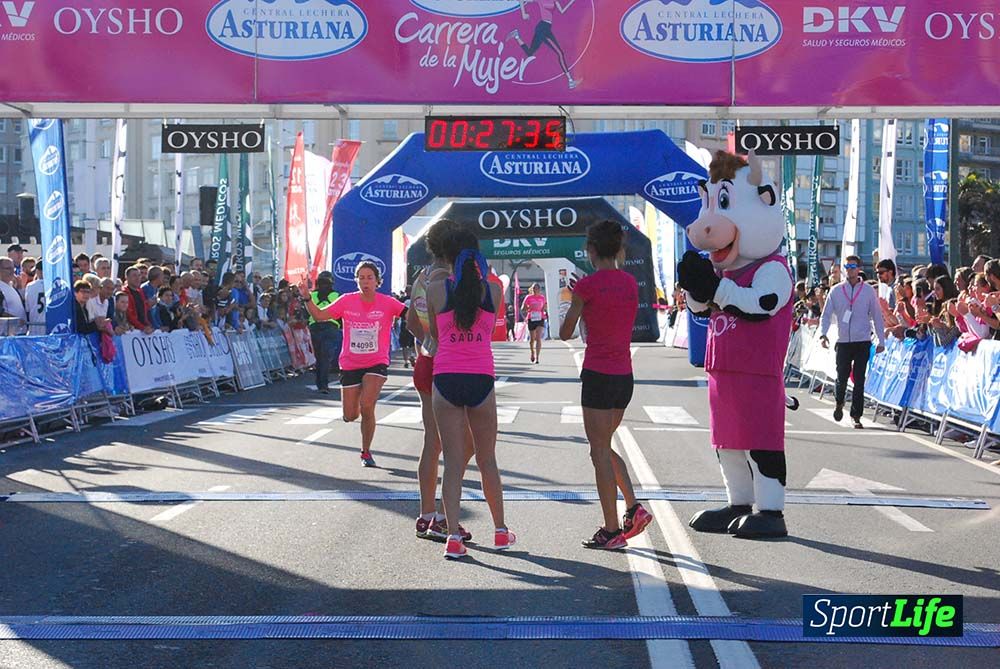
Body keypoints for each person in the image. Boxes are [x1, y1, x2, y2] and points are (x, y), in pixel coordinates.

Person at [560, 220, 653, 549]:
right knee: (604, 445)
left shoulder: (585, 287)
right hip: (624, 377)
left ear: (591, 251)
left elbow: (565, 332)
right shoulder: (629, 283)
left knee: (598, 452)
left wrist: (577, 305)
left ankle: (613, 530)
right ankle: (632, 509)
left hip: (598, 375)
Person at [425, 228, 514, 559]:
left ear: (445, 257)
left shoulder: (435, 289)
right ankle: (501, 531)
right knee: (487, 458)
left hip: (446, 376)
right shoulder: (493, 289)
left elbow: (435, 333)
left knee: (452, 462)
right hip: (481, 376)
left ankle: (453, 538)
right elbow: (489, 331)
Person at [406, 219, 476, 543]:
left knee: (432, 442)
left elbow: (410, 321)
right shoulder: (451, 278)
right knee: (457, 446)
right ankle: (446, 520)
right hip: (447, 364)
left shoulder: (421, 276)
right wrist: (439, 342)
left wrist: (427, 342)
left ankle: (426, 514)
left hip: (426, 360)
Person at [300, 262, 405, 468]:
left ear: (377, 281)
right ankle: (354, 404)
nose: (365, 282)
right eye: (361, 278)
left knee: (368, 405)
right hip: (350, 363)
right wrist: (306, 297)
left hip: (377, 361)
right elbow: (319, 316)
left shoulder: (388, 303)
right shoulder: (346, 301)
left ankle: (366, 451)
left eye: (369, 278)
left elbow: (412, 316)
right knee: (350, 415)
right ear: (356, 280)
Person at [819, 255, 886, 429]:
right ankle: (839, 402)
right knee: (841, 377)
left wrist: (881, 340)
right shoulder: (836, 290)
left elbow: (877, 316)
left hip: (862, 340)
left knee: (859, 379)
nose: (850, 269)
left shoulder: (868, 291)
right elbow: (826, 315)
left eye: (853, 266)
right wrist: (823, 334)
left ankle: (856, 415)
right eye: (847, 266)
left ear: (859, 269)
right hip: (843, 342)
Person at [508, 0, 580, 89]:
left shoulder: (555, 1)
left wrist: (571, 2)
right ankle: (570, 81)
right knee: (560, 53)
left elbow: (562, 11)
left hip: (546, 28)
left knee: (530, 53)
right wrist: (524, 14)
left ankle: (516, 36)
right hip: (543, 28)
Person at [308, 271, 342, 394]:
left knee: (320, 357)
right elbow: (341, 313)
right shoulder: (336, 295)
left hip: (316, 327)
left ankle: (321, 382)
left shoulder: (312, 295)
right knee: (325, 357)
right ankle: (323, 384)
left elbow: (307, 311)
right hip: (330, 327)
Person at [521, 283, 547, 364]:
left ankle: (537, 358)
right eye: (535, 288)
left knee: (538, 338)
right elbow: (523, 308)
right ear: (532, 289)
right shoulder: (528, 297)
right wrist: (528, 308)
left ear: (539, 289)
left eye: (538, 288)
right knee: (532, 339)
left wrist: (543, 309)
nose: (536, 290)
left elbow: (545, 306)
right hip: (531, 318)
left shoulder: (542, 297)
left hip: (540, 318)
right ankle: (532, 352)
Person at [0, 257, 26, 323]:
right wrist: (16, 320)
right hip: (5, 331)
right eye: (8, 268)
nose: (12, 271)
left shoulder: (11, 285)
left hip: (18, 331)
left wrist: (20, 287)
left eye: (13, 268)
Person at [24, 263, 46, 335]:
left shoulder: (30, 286)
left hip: (35, 328)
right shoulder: (56, 285)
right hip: (51, 327)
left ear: (38, 271)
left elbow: (27, 308)